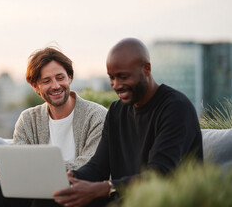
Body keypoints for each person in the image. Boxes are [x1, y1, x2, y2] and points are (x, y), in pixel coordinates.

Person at [50, 38, 203, 207]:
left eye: (123, 77)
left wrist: (105, 187)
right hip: (123, 200)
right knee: (53, 200)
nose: (116, 85)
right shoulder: (117, 111)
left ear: (146, 69)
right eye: (112, 78)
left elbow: (159, 175)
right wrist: (71, 179)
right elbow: (98, 166)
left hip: (164, 201)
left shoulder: (175, 108)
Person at [0, 47, 108, 207]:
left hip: (79, 189)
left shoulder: (96, 116)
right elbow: (18, 161)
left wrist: (39, 170)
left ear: (70, 78)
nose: (55, 86)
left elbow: (91, 166)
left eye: (60, 78)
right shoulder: (28, 118)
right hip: (34, 187)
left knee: (46, 200)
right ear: (35, 86)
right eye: (46, 81)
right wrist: (6, 167)